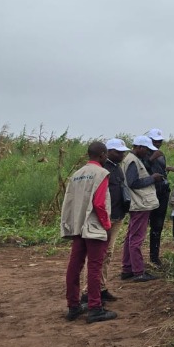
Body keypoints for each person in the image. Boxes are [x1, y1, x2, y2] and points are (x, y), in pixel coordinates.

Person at [62, 141, 116, 323]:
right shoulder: (101, 174)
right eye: (106, 154)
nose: (107, 157)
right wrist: (107, 226)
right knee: (94, 266)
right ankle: (95, 308)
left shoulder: (77, 174)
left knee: (74, 266)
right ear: (102, 155)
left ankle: (73, 306)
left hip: (78, 226)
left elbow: (69, 202)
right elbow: (100, 204)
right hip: (94, 227)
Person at [88, 138, 130, 303]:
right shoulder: (102, 169)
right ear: (107, 153)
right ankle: (91, 291)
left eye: (122, 152)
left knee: (109, 254)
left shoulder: (116, 168)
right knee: (100, 255)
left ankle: (102, 287)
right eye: (118, 152)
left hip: (117, 216)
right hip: (105, 217)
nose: (121, 155)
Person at [120, 135, 161, 282]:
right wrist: (153, 178)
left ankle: (127, 268)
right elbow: (133, 182)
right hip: (140, 204)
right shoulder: (132, 160)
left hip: (137, 204)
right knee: (136, 238)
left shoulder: (131, 159)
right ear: (139, 147)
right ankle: (138, 271)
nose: (148, 153)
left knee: (131, 236)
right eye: (147, 150)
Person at [144, 128, 170, 266]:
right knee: (142, 226)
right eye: (156, 141)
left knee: (157, 226)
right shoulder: (144, 154)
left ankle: (154, 257)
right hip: (148, 194)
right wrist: (152, 158)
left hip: (162, 193)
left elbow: (161, 170)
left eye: (160, 141)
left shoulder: (161, 155)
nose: (158, 143)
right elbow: (142, 169)